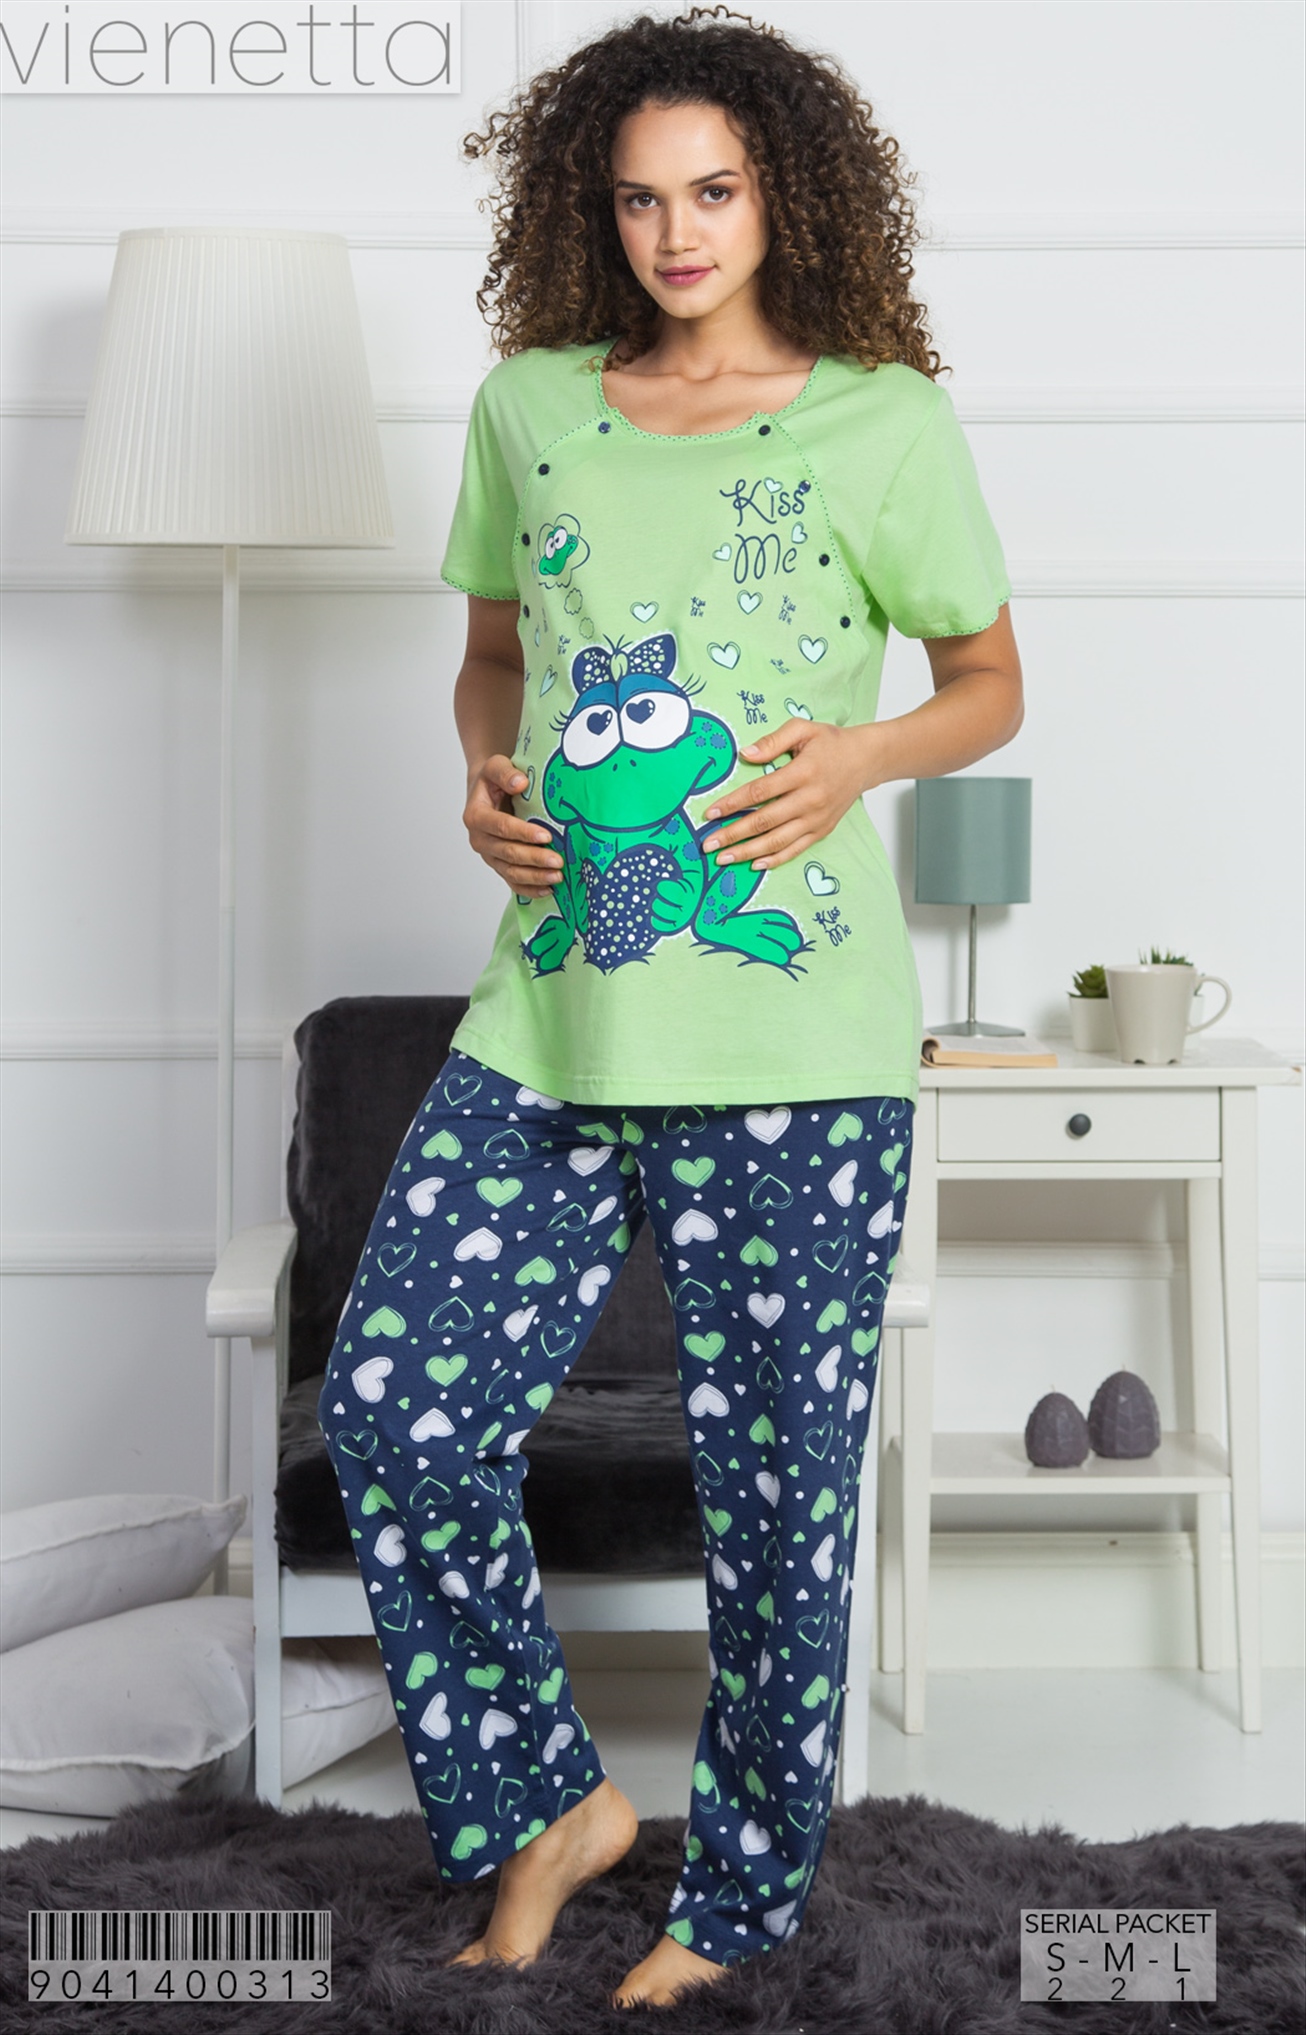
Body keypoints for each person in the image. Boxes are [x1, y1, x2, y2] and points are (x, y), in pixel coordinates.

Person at [318, 5, 1023, 2011]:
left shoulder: (882, 419)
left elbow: (986, 680)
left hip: (797, 1050)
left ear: (785, 192)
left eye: (711, 191)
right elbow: (489, 655)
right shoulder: (530, 407)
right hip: (549, 1023)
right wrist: (481, 777)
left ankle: (741, 1901)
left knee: (776, 1498)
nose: (677, 233)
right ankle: (548, 1804)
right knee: (396, 1409)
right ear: (590, 212)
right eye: (637, 200)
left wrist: (859, 758)